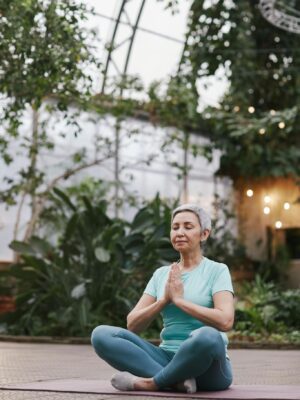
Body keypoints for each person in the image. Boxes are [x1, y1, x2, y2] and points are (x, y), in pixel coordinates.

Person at [91, 203, 235, 393]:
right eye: (175, 227)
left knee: (207, 335)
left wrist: (180, 301)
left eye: (188, 227)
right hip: (166, 357)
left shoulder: (217, 270)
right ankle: (176, 381)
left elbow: (225, 321)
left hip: (209, 368)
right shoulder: (161, 275)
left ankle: (151, 383)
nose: (180, 232)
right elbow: (133, 324)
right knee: (101, 335)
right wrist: (163, 301)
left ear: (204, 234)